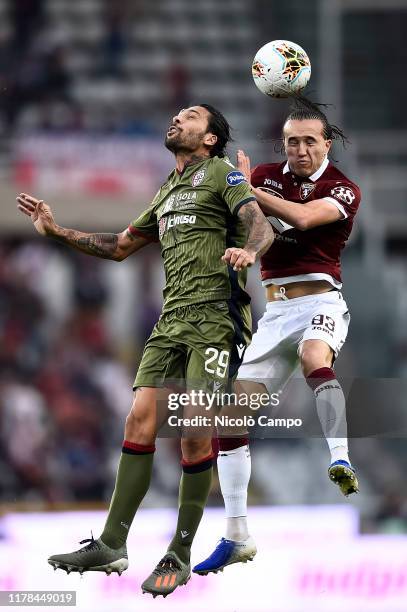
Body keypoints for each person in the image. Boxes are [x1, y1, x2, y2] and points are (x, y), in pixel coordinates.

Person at [16, 104, 274, 597]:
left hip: (215, 321)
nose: (178, 120)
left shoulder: (221, 174)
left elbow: (256, 223)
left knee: (194, 432)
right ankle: (112, 543)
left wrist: (250, 251)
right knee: (138, 420)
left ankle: (179, 549)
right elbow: (118, 246)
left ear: (210, 139)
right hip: (171, 321)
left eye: (191, 117)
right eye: (177, 115)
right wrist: (57, 230)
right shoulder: (167, 190)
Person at [193, 99, 361, 576]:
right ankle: (236, 534)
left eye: (310, 140)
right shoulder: (266, 175)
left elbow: (305, 218)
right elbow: (255, 222)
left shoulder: (343, 188)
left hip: (321, 302)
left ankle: (341, 460)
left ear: (326, 143)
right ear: (282, 143)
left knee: (315, 358)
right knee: (230, 417)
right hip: (275, 312)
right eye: (292, 141)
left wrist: (249, 191)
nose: (300, 149)